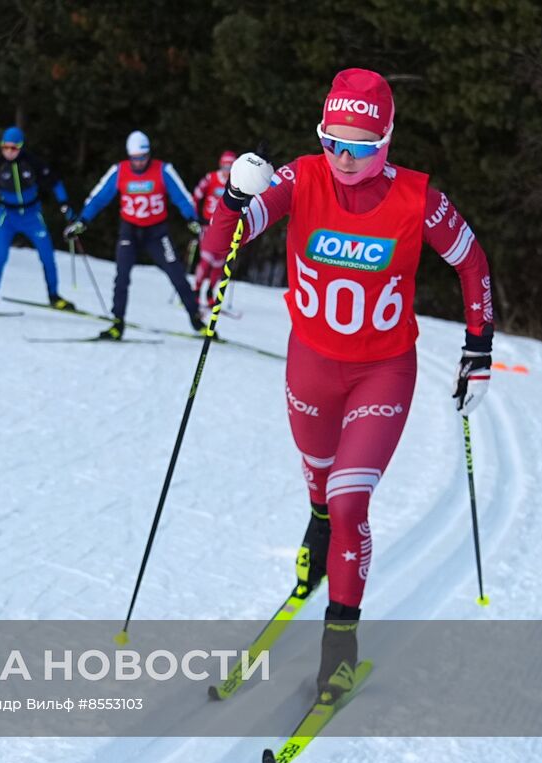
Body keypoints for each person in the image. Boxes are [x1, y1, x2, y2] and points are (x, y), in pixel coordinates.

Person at [199, 68, 494, 703]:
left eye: (359, 144)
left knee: (349, 498)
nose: (343, 156)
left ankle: (339, 648)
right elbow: (221, 245)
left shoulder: (419, 199)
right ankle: (316, 526)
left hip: (383, 369)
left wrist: (479, 346)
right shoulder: (302, 177)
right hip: (310, 363)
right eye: (333, 140)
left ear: (386, 139)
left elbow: (472, 260)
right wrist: (230, 200)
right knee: (319, 487)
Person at [64, 130, 206, 339]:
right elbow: (99, 198)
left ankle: (197, 321)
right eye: (135, 158)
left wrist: (192, 219)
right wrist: (83, 221)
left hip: (157, 233)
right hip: (129, 231)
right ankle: (117, 324)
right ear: (129, 156)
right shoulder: (119, 171)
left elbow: (182, 197)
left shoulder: (163, 170)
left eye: (143, 157)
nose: (139, 162)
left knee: (177, 274)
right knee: (122, 277)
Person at [0, 127, 76, 314]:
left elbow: (55, 182)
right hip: (7, 217)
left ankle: (54, 297)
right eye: (5, 148)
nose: (8, 152)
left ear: (21, 147)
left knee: (47, 256)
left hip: (32, 215)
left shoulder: (32, 163)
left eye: (13, 148)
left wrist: (64, 203)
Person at [190, 150, 236, 309]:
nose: (227, 170)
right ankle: (195, 291)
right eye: (224, 166)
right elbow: (196, 195)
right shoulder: (211, 178)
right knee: (206, 259)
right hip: (208, 226)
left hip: (226, 228)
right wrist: (195, 216)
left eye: (230, 167)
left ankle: (210, 293)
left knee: (218, 263)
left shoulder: (237, 181)